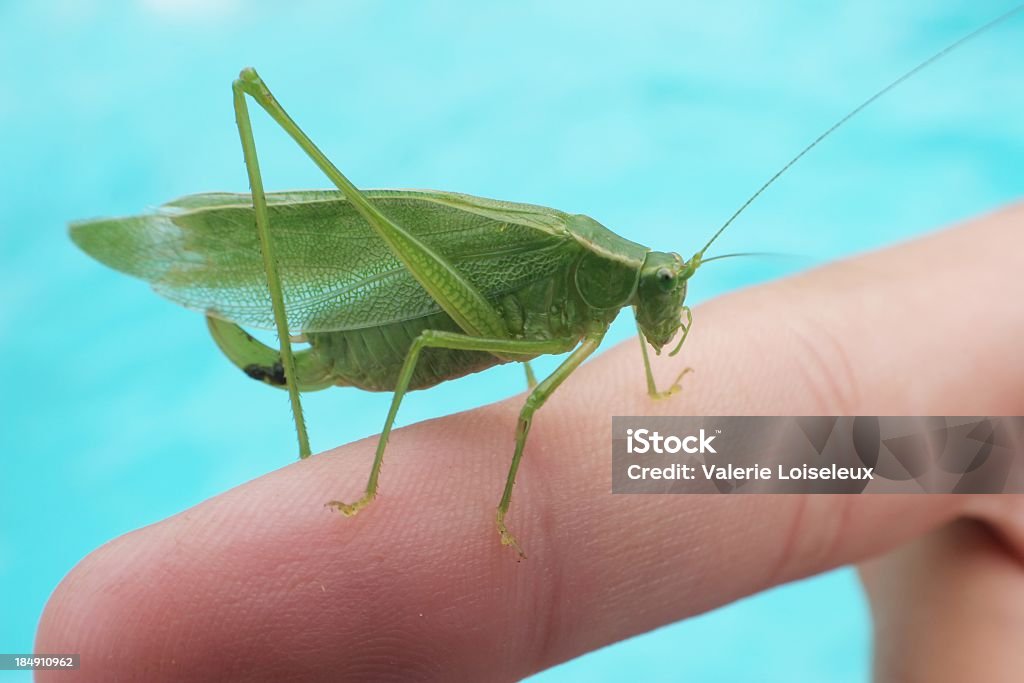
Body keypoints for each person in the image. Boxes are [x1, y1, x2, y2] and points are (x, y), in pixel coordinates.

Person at [37, 205, 1024, 681]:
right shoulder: (583, 272)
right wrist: (500, 509)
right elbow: (450, 349)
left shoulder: (612, 296)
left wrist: (969, 463)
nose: (666, 309)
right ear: (631, 279)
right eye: (659, 293)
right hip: (402, 330)